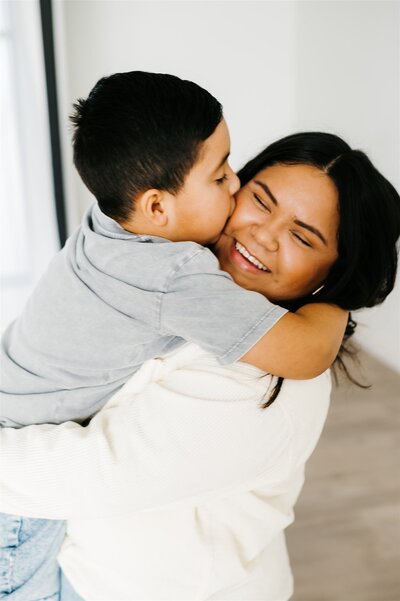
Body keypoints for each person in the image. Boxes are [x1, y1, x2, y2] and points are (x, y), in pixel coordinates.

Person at [1, 133, 399, 600]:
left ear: (336, 271)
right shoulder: (185, 279)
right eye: (260, 201)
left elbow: (92, 474)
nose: (262, 235)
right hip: (86, 564)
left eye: (301, 236)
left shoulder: (268, 385)